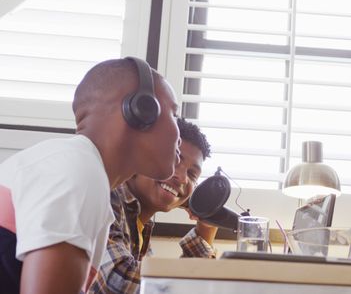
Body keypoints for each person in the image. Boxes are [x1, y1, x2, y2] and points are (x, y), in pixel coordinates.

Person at [0, 57, 180, 294]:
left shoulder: (77, 167)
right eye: (174, 114)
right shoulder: (79, 171)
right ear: (141, 110)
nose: (179, 133)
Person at [89, 118, 217, 294]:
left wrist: (206, 225)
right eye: (175, 159)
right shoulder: (107, 196)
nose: (181, 177)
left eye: (192, 174)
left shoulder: (139, 225)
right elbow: (118, 282)